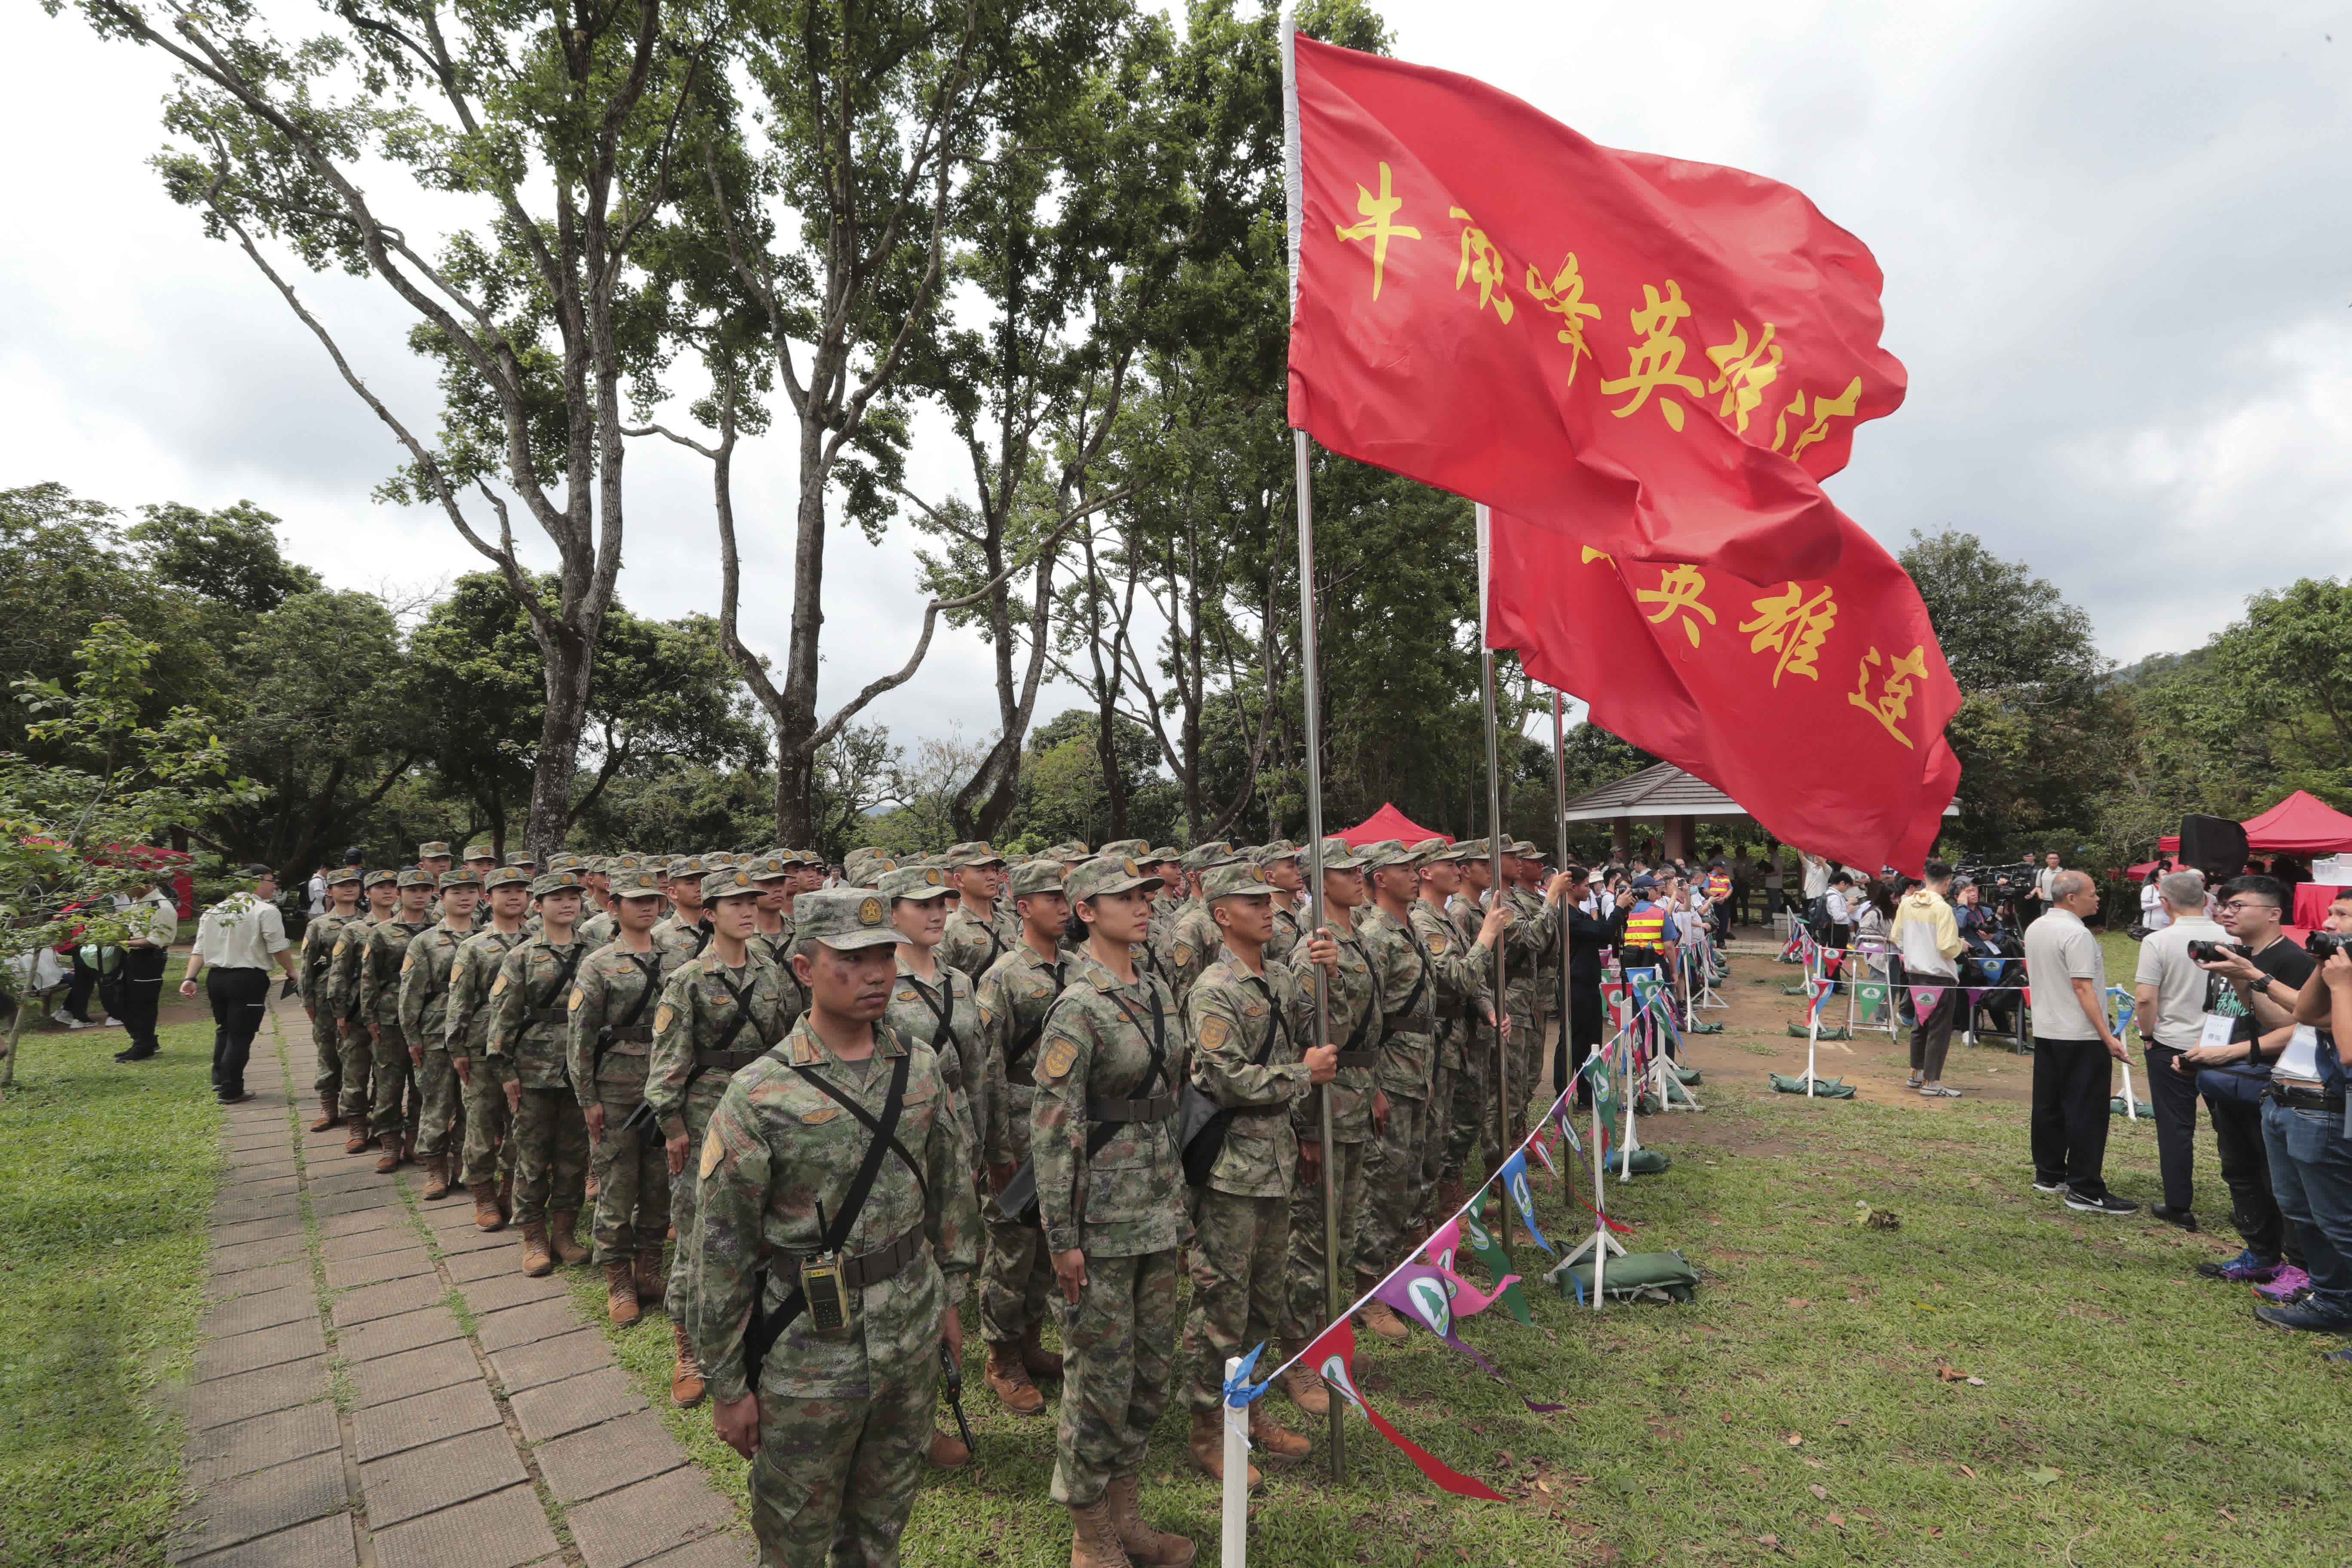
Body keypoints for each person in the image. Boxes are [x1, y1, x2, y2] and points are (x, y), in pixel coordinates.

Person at [687, 887, 981, 1568]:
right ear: (803, 967)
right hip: (809, 1352)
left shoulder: (919, 1068)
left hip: (909, 1326)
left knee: (882, 1526)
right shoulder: (760, 1094)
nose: (877, 973)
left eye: (885, 954)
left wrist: (950, 1299)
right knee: (794, 1536)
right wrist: (729, 1387)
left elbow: (949, 1195)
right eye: (852, 958)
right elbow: (720, 1252)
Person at [1026, 855, 1197, 1565]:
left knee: (1150, 1370)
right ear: (1085, 911)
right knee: (1097, 1374)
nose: (1141, 905)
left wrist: (1179, 1206)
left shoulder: (1153, 987)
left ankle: (1125, 1510)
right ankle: (1089, 1530)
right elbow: (1053, 1124)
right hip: (1099, 1222)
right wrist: (1062, 1237)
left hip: (1157, 1211)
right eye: (1123, 896)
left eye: (1145, 894)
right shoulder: (1078, 1005)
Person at [1179, 861, 1338, 1482]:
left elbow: (1323, 1030)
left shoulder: (1275, 976)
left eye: (1268, 900)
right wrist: (1304, 1075)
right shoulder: (1214, 989)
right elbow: (1223, 1076)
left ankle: (1250, 1407)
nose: (1268, 908)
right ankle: (1208, 1428)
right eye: (1251, 902)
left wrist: (1327, 973)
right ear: (1222, 915)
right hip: (1231, 1172)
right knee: (1221, 1303)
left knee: (1263, 1303)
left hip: (1273, 1161)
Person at [647, 868, 808, 1409]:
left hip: (764, 1111)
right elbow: (667, 1065)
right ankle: (688, 1346)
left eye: (750, 900)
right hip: (703, 1117)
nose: (746, 909)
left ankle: (754, 1334)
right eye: (731, 902)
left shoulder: (774, 972)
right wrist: (672, 1128)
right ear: (709, 913)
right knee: (698, 1236)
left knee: (766, 1229)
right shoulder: (688, 979)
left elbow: (792, 1043)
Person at [875, 863, 983, 1472]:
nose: (938, 913)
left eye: (942, 903)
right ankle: (900, 1426)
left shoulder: (959, 983)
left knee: (949, 1267)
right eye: (922, 905)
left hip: (954, 1131)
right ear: (891, 914)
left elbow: (977, 1068)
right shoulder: (878, 985)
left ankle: (925, 1415)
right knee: (900, 1277)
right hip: (898, 1139)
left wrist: (983, 1142)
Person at [2178, 876, 2320, 1292]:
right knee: (2238, 1172)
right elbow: (2222, 1016)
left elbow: (2302, 1027)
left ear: (2274, 913)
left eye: (2238, 905)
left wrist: (2234, 1053)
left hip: (2274, 1083)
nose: (2226, 912)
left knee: (2281, 1180)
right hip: (2227, 1085)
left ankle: (2300, 1268)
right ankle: (2260, 1255)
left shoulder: (2293, 962)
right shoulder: (2227, 955)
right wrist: (2198, 1050)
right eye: (2223, 905)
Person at [973, 860, 1076, 1418]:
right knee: (1010, 1247)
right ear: (1023, 906)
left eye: (1067, 898)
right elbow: (987, 1067)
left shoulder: (1080, 969)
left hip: (1065, 1130)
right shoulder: (1003, 977)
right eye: (1051, 898)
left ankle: (1030, 1341)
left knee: (1046, 1243)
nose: (1063, 907)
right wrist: (995, 1149)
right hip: (1017, 1127)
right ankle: (1001, 1358)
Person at [1279, 837, 1377, 1420]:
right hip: (1324, 1105)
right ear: (1319, 882)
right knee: (1312, 1241)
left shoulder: (1353, 938)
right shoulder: (1313, 950)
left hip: (1357, 1095)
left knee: (1341, 1232)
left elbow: (1365, 1027)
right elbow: (1305, 1043)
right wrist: (1308, 1126)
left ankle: (1326, 1336)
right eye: (1346, 870)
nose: (1358, 876)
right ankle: (1297, 1356)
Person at [566, 866, 683, 1325]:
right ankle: (619, 1279)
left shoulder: (677, 959)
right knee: (617, 1185)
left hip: (663, 1087)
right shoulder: (598, 964)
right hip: (615, 1090)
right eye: (636, 900)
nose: (648, 906)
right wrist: (587, 1097)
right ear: (613, 907)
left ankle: (648, 1268)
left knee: (659, 1185)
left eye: (653, 898)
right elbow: (580, 1037)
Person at [484, 870, 596, 1276]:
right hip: (533, 1072)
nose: (567, 904)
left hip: (581, 1070)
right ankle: (533, 1237)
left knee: (572, 1157)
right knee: (531, 1156)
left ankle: (564, 1235)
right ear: (539, 906)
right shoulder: (522, 956)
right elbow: (503, 1019)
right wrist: (505, 1070)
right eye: (556, 898)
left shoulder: (597, 952)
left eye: (573, 897)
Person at [2251, 892, 2352, 1335]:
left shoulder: (2346, 980)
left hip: (2329, 1104)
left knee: (2340, 1222)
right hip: (2292, 1099)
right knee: (2300, 1208)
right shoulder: (2338, 967)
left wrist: (2343, 984)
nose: (2328, 922)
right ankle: (2332, 1302)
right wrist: (2322, 964)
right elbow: (2307, 1013)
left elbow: (2349, 1053)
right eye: (2331, 912)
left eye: (2342, 915)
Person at [2022, 870, 2135, 1214]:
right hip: (2080, 1035)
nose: (2097, 898)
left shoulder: (2037, 926)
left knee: (2049, 1105)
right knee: (2086, 1111)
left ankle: (2050, 1173)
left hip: (2047, 1029)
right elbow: (2083, 987)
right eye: (2093, 892)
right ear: (2071, 897)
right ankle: (2085, 1188)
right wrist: (2108, 1036)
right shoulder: (2076, 933)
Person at [2130, 869, 2220, 1229]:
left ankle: (2179, 1204)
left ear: (2165, 904)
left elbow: (2145, 998)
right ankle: (2251, 1202)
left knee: (2176, 1127)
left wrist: (2148, 1035)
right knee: (2233, 1129)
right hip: (2224, 1044)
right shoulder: (2231, 935)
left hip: (2171, 1043)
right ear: (2205, 899)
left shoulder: (2158, 941)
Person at [447, 866, 534, 1232]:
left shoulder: (541, 941)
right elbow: (459, 1001)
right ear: (489, 898)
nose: (514, 897)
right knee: (481, 1124)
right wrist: (457, 1047)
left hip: (529, 1047)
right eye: (504, 891)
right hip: (482, 1046)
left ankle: (508, 1188)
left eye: (520, 890)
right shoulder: (475, 947)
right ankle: (481, 1192)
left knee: (521, 1125)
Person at [179, 865, 297, 1105]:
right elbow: (278, 947)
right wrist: (292, 971)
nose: (274, 886)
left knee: (225, 1029)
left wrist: (190, 978)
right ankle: (231, 1090)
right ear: (255, 882)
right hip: (247, 979)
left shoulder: (213, 911)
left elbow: (200, 950)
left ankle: (220, 1079)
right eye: (271, 880)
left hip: (217, 979)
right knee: (241, 1035)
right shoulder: (266, 911)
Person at [398, 868, 482, 1200]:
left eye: (471, 891)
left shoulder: (489, 937)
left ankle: (463, 1164)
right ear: (441, 897)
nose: (464, 898)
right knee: (436, 1100)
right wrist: (411, 1036)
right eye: (455, 892)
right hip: (435, 1031)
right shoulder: (425, 941)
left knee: (471, 1105)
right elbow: (411, 993)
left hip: (477, 1031)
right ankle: (435, 1169)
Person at [360, 870, 441, 1172]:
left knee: (424, 1083)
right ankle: (389, 1141)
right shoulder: (381, 932)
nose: (419, 895)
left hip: (430, 1013)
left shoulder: (441, 929)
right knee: (389, 1081)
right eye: (412, 890)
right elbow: (370, 977)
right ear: (400, 894)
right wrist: (369, 1016)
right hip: (390, 1015)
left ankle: (416, 1140)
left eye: (425, 889)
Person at [297, 867, 364, 1124]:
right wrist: (307, 1000)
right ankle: (328, 1105)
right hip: (326, 994)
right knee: (327, 1049)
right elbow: (306, 965)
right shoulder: (319, 925)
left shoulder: (370, 920)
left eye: (354, 885)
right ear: (329, 891)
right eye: (342, 885)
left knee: (357, 1052)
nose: (349, 889)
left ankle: (356, 1106)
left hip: (361, 994)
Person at [1892, 864, 1966, 1098]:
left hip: (1915, 974)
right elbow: (1946, 947)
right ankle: (1932, 1082)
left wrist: (1915, 953)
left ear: (1924, 877)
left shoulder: (1907, 903)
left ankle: (1916, 1074)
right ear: (1948, 882)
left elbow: (1896, 937)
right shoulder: (1943, 908)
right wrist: (1961, 945)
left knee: (1920, 1024)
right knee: (1939, 1030)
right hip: (1940, 976)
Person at [105, 874, 181, 1064]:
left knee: (143, 1003)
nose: (124, 893)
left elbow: (159, 940)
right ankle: (144, 1041)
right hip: (133, 954)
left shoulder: (161, 906)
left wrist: (123, 942)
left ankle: (143, 1046)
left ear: (140, 884)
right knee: (123, 1000)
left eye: (128, 888)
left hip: (149, 958)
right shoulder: (138, 901)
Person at [2139, 867, 2172, 934]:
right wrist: (2161, 903)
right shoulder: (2149, 889)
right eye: (2164, 875)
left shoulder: (2170, 890)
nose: (2167, 876)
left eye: (2168, 874)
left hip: (2168, 925)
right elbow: (2144, 907)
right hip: (2152, 926)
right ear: (2157, 878)